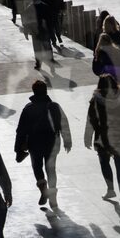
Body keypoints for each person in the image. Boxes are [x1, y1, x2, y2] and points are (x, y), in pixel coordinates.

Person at [83, 74, 120, 203]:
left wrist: (88, 136)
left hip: (103, 137)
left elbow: (91, 119)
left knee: (104, 163)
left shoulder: (96, 100)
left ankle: (110, 190)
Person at [14, 80, 72, 210]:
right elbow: (64, 123)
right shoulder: (54, 106)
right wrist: (67, 140)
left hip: (35, 143)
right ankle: (53, 197)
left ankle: (43, 190)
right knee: (51, 169)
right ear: (46, 91)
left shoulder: (28, 108)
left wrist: (18, 148)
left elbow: (21, 130)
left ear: (33, 92)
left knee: (37, 167)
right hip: (52, 142)